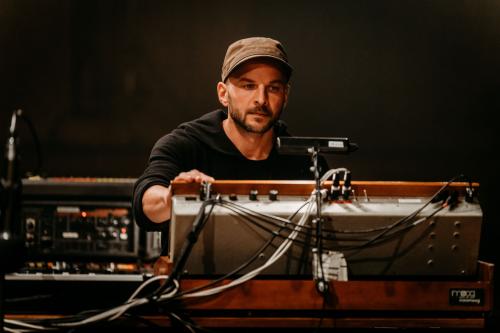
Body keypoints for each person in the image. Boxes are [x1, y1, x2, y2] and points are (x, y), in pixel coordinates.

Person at [133, 37, 328, 254]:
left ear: (285, 96)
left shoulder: (306, 159)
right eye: (248, 86)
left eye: (273, 88)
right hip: (200, 287)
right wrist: (174, 196)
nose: (261, 100)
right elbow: (146, 204)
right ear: (223, 94)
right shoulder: (185, 145)